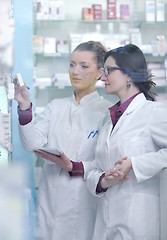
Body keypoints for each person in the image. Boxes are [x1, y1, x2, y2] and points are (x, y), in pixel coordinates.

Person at [14, 41, 112, 240]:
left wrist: (74, 166)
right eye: (72, 64)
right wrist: (25, 107)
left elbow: (106, 163)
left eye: (84, 66)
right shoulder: (55, 106)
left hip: (84, 203)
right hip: (49, 200)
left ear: (100, 73)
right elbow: (32, 144)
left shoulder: (106, 112)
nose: (75, 71)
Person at [86, 44, 167, 240]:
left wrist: (135, 164)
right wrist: (104, 181)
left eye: (108, 71)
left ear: (129, 74)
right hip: (106, 225)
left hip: (137, 225)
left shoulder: (153, 113)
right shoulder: (109, 121)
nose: (102, 77)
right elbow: (95, 168)